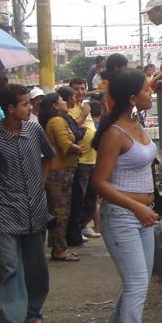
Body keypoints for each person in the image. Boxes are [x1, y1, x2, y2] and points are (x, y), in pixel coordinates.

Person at [92, 69, 162, 323]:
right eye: (147, 90)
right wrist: (136, 206)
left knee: (138, 283)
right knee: (137, 286)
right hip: (122, 217)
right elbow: (99, 183)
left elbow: (147, 162)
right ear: (133, 98)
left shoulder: (138, 125)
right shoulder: (115, 134)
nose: (152, 94)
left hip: (143, 215)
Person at [0, 84, 54, 323]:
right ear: (10, 109)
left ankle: (33, 309)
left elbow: (49, 156)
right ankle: (9, 321)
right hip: (6, 212)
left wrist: (41, 182)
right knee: (9, 267)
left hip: (36, 210)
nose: (30, 108)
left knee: (36, 265)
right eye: (24, 104)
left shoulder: (34, 130)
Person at [40, 91, 82, 261]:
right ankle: (59, 249)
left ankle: (58, 246)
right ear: (55, 106)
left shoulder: (56, 120)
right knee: (61, 211)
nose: (65, 102)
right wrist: (78, 149)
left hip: (61, 171)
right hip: (60, 173)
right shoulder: (57, 121)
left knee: (59, 210)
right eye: (62, 100)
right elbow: (65, 145)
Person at [67, 79, 97, 246]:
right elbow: (71, 129)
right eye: (76, 89)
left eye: (83, 88)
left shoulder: (85, 106)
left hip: (93, 158)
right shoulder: (71, 108)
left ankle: (83, 225)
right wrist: (84, 114)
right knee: (79, 197)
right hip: (81, 160)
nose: (80, 92)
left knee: (91, 198)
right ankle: (75, 230)